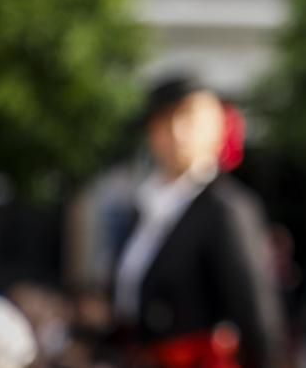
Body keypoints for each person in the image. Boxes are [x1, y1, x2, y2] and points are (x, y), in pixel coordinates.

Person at [111, 74, 285, 367]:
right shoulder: (144, 206)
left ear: (217, 127)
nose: (178, 133)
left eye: (190, 119)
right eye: (166, 121)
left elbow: (257, 317)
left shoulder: (225, 207)